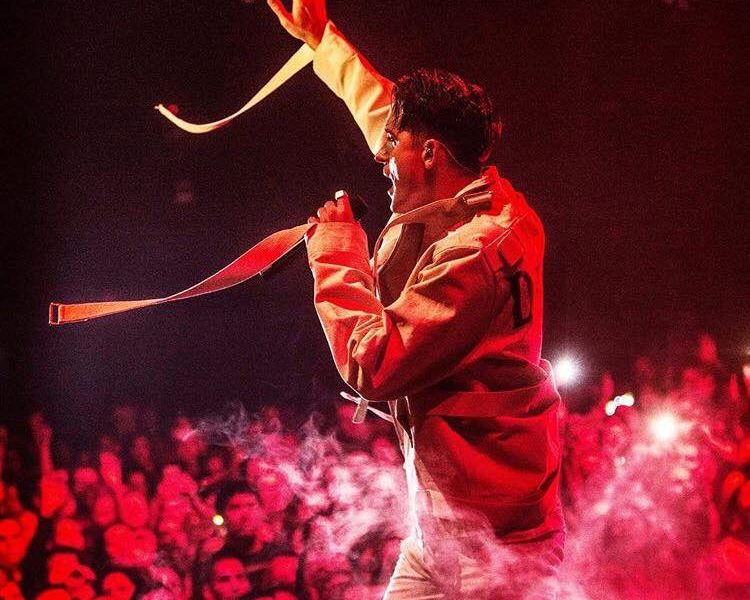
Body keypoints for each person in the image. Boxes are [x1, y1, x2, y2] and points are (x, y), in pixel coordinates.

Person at [267, 1, 564, 598]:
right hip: (439, 541)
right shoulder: (474, 194)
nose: (381, 156)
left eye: (393, 144)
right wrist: (323, 39)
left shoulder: (476, 253)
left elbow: (373, 365)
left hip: (499, 558)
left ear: (428, 152)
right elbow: (383, 109)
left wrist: (337, 250)